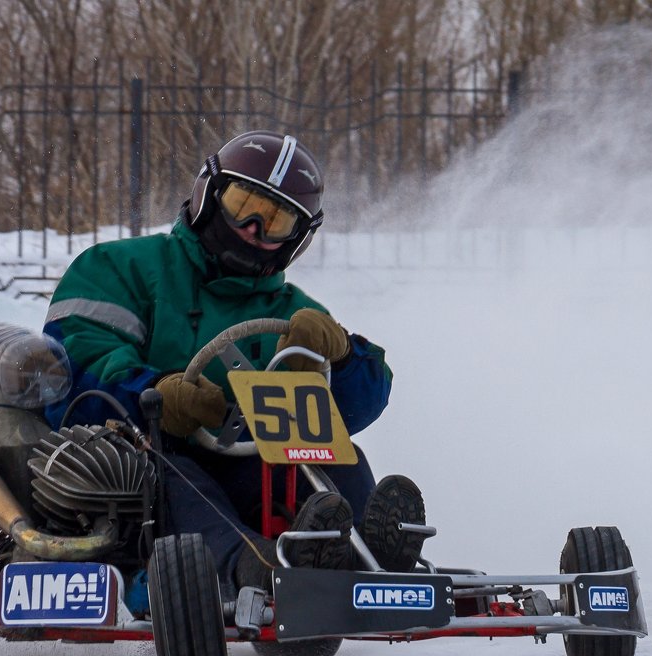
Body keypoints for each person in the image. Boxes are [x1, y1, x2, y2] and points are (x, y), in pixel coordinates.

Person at [42, 130, 429, 593]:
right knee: (172, 470)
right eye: (244, 206)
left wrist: (344, 357)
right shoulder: (118, 267)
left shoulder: (293, 311)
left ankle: (368, 551)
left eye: (277, 221)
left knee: (326, 455)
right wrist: (157, 393)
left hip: (248, 465)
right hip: (137, 464)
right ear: (210, 194)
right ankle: (252, 567)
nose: (254, 229)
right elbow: (73, 366)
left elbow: (354, 411)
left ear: (297, 239)